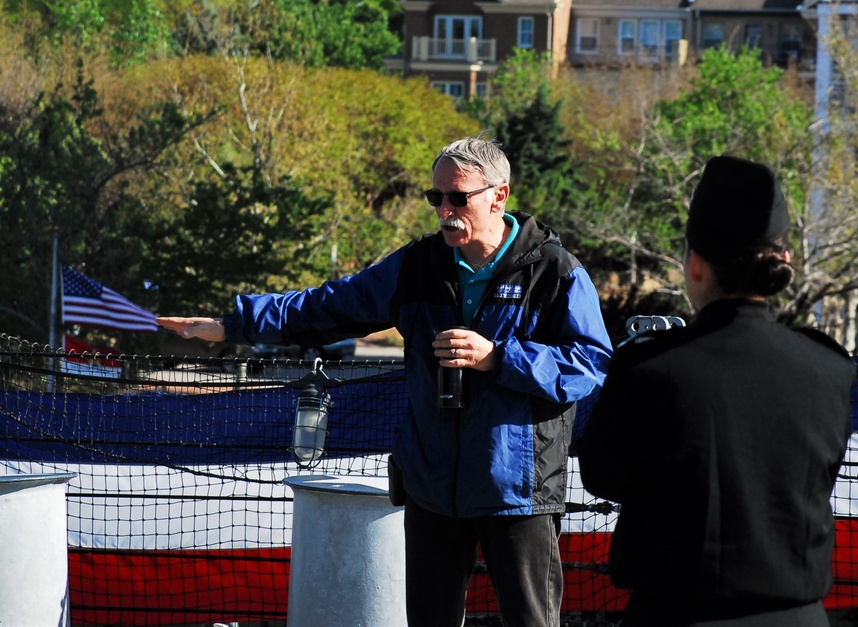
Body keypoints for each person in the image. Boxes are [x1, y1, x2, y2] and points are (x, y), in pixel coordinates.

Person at [158, 134, 613, 627]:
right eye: (434, 197)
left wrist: (498, 357)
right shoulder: (418, 263)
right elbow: (328, 306)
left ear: (498, 196)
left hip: (518, 492)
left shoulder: (553, 269)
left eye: (458, 197)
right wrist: (233, 326)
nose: (444, 210)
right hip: (432, 487)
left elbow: (589, 363)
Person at [575, 156, 855, 626]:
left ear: (696, 265)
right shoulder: (828, 366)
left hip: (673, 612)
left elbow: (603, 477)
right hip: (797, 615)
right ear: (782, 260)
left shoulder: (649, 367)